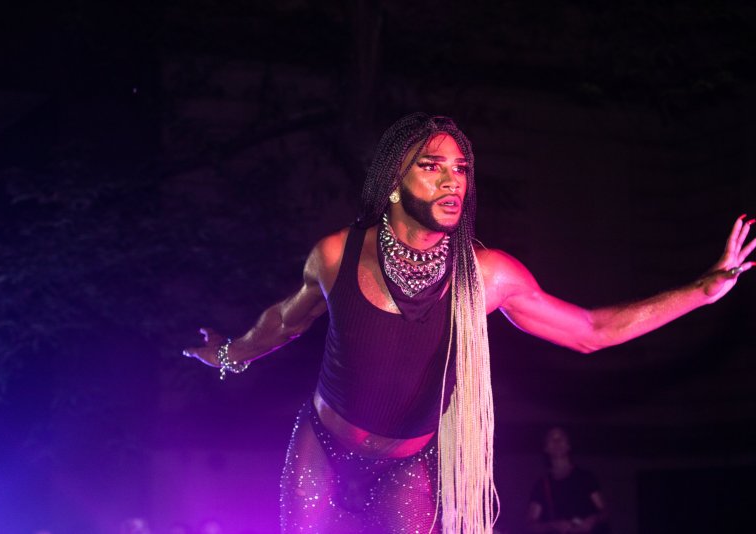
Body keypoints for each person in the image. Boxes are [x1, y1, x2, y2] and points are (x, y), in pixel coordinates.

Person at [182, 113, 754, 534]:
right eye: (432, 167)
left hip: (407, 466)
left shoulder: (487, 276)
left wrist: (701, 293)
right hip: (323, 448)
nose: (452, 180)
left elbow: (590, 331)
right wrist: (228, 355)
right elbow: (282, 324)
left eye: (461, 169)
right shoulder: (336, 256)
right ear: (393, 183)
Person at [525, 427, 609, 534]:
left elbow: (605, 512)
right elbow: (530, 524)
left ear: (568, 446)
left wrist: (593, 520)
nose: (557, 441)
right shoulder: (541, 485)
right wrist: (553, 526)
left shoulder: (586, 477)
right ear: (546, 448)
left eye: (561, 438)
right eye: (552, 439)